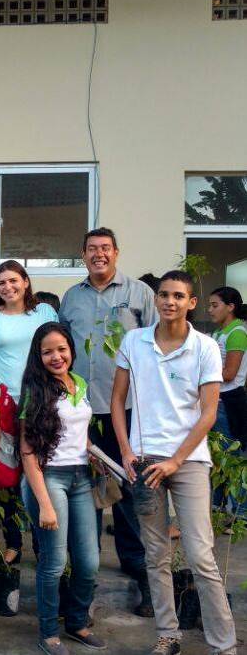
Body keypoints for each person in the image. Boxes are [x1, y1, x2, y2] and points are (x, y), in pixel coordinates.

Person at [112, 270, 237, 655]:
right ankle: (167, 635)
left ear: (191, 302)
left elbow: (209, 413)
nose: (170, 301)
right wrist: (127, 452)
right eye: (164, 295)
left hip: (190, 462)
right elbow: (117, 400)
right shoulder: (134, 341)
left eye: (178, 296)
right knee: (155, 555)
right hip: (145, 462)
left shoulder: (205, 347)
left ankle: (224, 645)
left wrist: (176, 461)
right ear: (156, 299)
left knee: (202, 557)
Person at [59, 227, 156, 614]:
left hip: (127, 408)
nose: (99, 255)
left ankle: (138, 565)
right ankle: (86, 563)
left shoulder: (140, 294)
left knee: (129, 485)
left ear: (116, 252)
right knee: (85, 486)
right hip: (80, 409)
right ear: (82, 254)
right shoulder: (71, 297)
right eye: (91, 249)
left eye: (105, 249)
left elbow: (155, 345)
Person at [20, 322, 106, 655]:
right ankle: (48, 632)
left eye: (61, 349)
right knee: (53, 562)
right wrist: (44, 502)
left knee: (89, 561)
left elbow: (78, 431)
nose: (56, 357)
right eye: (47, 352)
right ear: (38, 356)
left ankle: (78, 622)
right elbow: (28, 452)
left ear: (70, 348)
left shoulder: (79, 383)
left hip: (81, 477)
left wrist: (92, 455)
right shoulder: (35, 390)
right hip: (48, 477)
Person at [0, 260, 59, 566]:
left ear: (26, 282)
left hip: (40, 401)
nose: (8, 287)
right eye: (1, 283)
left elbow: (57, 351)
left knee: (40, 472)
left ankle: (43, 541)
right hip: (5, 405)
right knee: (8, 475)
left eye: (14, 280)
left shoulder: (45, 314)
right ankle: (14, 541)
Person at [208, 286, 247, 447]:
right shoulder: (218, 332)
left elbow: (230, 373)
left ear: (230, 307)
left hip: (229, 400)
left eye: (215, 305)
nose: (210, 310)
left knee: (229, 453)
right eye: (209, 305)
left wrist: (202, 371)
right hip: (217, 398)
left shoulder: (236, 332)